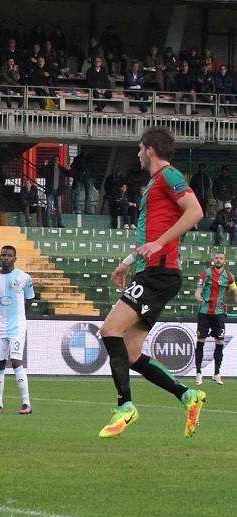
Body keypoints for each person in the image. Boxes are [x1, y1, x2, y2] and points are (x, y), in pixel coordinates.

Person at [97, 126, 205, 439]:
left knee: (109, 330)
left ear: (150, 150)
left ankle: (125, 406)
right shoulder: (155, 184)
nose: (138, 154)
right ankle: (187, 395)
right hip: (153, 271)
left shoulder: (170, 176)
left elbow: (195, 211)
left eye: (140, 149)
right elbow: (149, 236)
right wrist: (126, 263)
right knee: (131, 354)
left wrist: (160, 244)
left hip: (159, 273)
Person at [0, 246, 35, 415]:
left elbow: (29, 299)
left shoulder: (24, 277)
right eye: (3, 255)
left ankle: (26, 403)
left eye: (9, 255)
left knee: (16, 361)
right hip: (0, 327)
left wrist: (18, 315)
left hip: (17, 327)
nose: (6, 257)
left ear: (15, 258)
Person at [194, 252, 237, 385]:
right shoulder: (205, 273)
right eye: (216, 258)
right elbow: (198, 290)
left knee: (219, 342)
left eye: (221, 258)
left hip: (218, 314)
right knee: (201, 341)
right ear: (213, 260)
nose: (218, 260)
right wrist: (198, 296)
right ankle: (199, 373)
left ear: (225, 260)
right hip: (204, 313)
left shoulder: (229, 276)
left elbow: (234, 291)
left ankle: (217, 373)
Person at [40, 156, 70, 228]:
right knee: (49, 207)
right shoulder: (49, 168)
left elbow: (69, 174)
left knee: (59, 207)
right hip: (50, 191)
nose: (56, 161)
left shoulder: (62, 169)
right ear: (53, 161)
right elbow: (42, 174)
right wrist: (44, 165)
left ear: (59, 161)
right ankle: (46, 223)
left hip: (58, 191)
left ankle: (60, 223)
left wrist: (69, 169)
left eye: (57, 160)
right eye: (55, 160)